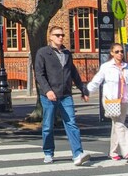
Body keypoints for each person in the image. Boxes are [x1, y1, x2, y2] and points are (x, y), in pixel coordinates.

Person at [34, 25, 90, 166]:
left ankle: (77, 153)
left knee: (71, 123)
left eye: (62, 35)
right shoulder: (43, 53)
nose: (61, 37)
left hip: (65, 94)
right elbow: (39, 74)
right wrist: (48, 90)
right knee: (48, 125)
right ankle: (48, 152)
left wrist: (83, 89)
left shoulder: (66, 53)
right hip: (49, 96)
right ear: (50, 37)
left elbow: (73, 73)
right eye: (57, 35)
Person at [87, 43, 128, 163]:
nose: (120, 54)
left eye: (121, 51)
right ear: (112, 53)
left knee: (117, 125)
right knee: (119, 124)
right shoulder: (106, 67)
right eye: (117, 52)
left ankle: (113, 152)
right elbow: (96, 81)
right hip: (110, 100)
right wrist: (87, 92)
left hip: (123, 101)